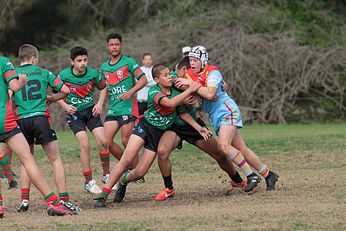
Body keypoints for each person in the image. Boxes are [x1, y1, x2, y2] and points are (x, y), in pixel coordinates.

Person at [93, 64, 208, 207]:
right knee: (126, 159)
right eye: (165, 75)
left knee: (140, 172)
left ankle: (123, 181)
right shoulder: (154, 91)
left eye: (169, 74)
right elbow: (170, 102)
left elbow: (182, 112)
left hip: (157, 135)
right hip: (145, 126)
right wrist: (190, 89)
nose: (170, 77)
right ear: (156, 80)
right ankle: (104, 195)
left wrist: (198, 127)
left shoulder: (175, 91)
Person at [176, 46, 279, 191]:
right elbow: (199, 99)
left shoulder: (212, 71)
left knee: (223, 146)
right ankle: (269, 175)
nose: (192, 63)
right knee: (241, 149)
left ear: (203, 60)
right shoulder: (189, 76)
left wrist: (193, 87)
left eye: (195, 60)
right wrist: (191, 97)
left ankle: (251, 175)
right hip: (215, 116)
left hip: (227, 110)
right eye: (190, 60)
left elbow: (211, 94)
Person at [155, 56, 257, 201]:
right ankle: (169, 188)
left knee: (220, 153)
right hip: (176, 126)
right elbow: (163, 87)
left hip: (194, 125)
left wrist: (221, 85)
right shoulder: (173, 77)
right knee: (162, 151)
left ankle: (238, 180)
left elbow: (211, 92)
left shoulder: (194, 79)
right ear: (183, 70)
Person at [0, 55, 76, 216]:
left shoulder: (13, 66)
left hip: (21, 119)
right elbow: (14, 86)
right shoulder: (5, 63)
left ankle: (15, 202)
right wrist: (21, 81)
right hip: (19, 119)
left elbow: (10, 94)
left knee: (24, 161)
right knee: (36, 159)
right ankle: (59, 201)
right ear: (34, 58)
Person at [57, 46, 109, 194]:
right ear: (72, 62)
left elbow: (103, 87)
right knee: (85, 145)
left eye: (85, 60)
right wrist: (65, 105)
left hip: (90, 111)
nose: (83, 63)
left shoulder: (92, 73)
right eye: (79, 60)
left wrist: (99, 103)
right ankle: (88, 182)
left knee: (103, 141)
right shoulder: (64, 75)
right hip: (75, 115)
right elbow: (55, 93)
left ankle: (107, 175)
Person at [99, 33, 147, 170]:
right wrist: (100, 103)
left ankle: (137, 172)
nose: (114, 47)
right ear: (107, 46)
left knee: (126, 140)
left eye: (117, 44)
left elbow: (143, 79)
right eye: (111, 45)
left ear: (121, 45)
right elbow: (103, 87)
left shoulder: (129, 62)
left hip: (128, 107)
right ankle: (129, 166)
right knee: (106, 141)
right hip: (113, 108)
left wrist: (130, 92)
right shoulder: (103, 67)